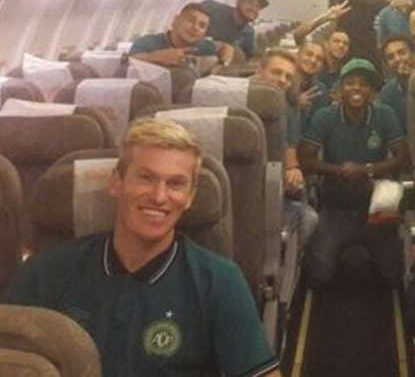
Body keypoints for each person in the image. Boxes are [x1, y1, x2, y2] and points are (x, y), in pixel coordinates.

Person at [5, 118, 280, 376]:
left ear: (189, 197)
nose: (159, 196)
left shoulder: (219, 281)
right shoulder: (46, 272)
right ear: (117, 183)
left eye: (176, 184)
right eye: (146, 178)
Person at [299, 58, 410, 288]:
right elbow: (306, 159)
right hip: (335, 206)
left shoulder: (385, 114)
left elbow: (403, 158)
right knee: (318, 276)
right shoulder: (325, 116)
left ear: (372, 91)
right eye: (350, 83)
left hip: (375, 208)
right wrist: (339, 170)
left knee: (392, 275)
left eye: (364, 84)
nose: (357, 88)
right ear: (340, 89)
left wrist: (366, 169)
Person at [254, 49, 304, 194]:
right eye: (276, 72)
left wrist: (293, 171)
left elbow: (290, 160)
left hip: (271, 176)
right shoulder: (236, 98)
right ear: (259, 71)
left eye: (288, 77)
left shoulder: (289, 107)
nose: (283, 80)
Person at [129, 2, 235, 68]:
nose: (195, 27)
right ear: (175, 20)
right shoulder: (149, 42)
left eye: (202, 25)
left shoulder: (201, 46)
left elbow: (226, 47)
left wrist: (222, 64)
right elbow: (128, 60)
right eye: (190, 20)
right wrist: (157, 57)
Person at [201, 0, 269, 59]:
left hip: (223, 64)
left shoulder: (248, 32)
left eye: (258, 7)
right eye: (250, 3)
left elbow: (249, 57)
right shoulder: (213, 10)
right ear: (238, 1)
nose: (254, 9)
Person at [378, 35, 415, 133]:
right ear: (387, 65)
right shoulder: (387, 94)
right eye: (390, 57)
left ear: (413, 54)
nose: (397, 59)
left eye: (402, 53)